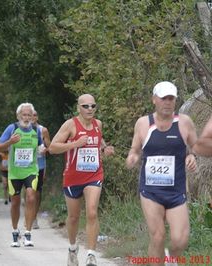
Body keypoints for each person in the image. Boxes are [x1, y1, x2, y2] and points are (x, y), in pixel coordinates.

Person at [126, 81, 197, 266]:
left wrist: (191, 157)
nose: (167, 102)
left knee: (180, 239)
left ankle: (170, 258)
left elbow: (194, 148)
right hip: (151, 191)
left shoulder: (184, 122)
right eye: (163, 98)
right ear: (154, 100)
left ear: (175, 101)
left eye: (171, 98)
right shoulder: (143, 123)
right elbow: (135, 149)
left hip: (176, 190)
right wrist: (132, 157)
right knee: (157, 236)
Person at [48, 94, 115, 266]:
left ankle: (91, 255)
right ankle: (72, 248)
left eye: (93, 106)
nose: (90, 109)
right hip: (72, 177)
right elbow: (53, 148)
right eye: (86, 106)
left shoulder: (98, 124)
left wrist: (105, 148)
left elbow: (98, 140)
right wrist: (74, 144)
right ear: (78, 108)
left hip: (94, 175)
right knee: (73, 217)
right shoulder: (70, 125)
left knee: (92, 211)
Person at [0, 102, 43, 248]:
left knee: (30, 197)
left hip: (31, 171)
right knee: (15, 202)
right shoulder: (12, 128)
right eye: (24, 114)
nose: (27, 117)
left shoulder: (36, 130)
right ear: (18, 116)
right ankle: (15, 231)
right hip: (14, 172)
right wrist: (10, 142)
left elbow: (41, 146)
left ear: (33, 116)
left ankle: (28, 233)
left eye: (29, 114)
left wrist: (43, 150)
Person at [31, 110, 51, 229]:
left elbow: (51, 147)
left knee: (37, 191)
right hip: (26, 165)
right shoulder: (21, 130)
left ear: (37, 117)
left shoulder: (43, 130)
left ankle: (34, 218)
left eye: (34, 115)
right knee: (29, 190)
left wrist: (46, 150)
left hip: (40, 164)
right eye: (29, 115)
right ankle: (29, 215)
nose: (32, 117)